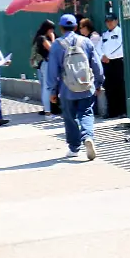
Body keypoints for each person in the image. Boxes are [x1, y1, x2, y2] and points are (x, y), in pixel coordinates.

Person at [47, 13, 104, 160]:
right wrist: (98, 83)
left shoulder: (56, 45)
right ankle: (88, 137)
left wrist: (53, 90)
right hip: (86, 86)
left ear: (60, 28)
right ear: (76, 26)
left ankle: (74, 148)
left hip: (67, 89)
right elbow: (96, 65)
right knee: (86, 113)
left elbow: (52, 70)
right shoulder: (86, 42)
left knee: (69, 117)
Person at [100, 10, 126, 118]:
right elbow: (98, 48)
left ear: (116, 21)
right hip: (107, 63)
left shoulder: (120, 32)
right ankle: (112, 111)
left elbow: (121, 46)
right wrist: (102, 56)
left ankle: (122, 111)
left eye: (111, 21)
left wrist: (109, 56)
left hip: (117, 62)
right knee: (109, 87)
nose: (109, 23)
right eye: (107, 21)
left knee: (120, 86)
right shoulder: (104, 35)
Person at [31, 20, 61, 116]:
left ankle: (48, 110)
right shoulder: (42, 38)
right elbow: (52, 50)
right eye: (51, 29)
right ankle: (48, 111)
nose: (52, 31)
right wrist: (52, 39)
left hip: (42, 66)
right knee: (47, 88)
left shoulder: (40, 38)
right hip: (46, 64)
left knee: (46, 87)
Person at [79, 18, 103, 117]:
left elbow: (94, 53)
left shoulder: (94, 37)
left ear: (86, 27)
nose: (80, 30)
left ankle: (94, 110)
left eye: (81, 28)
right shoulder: (85, 38)